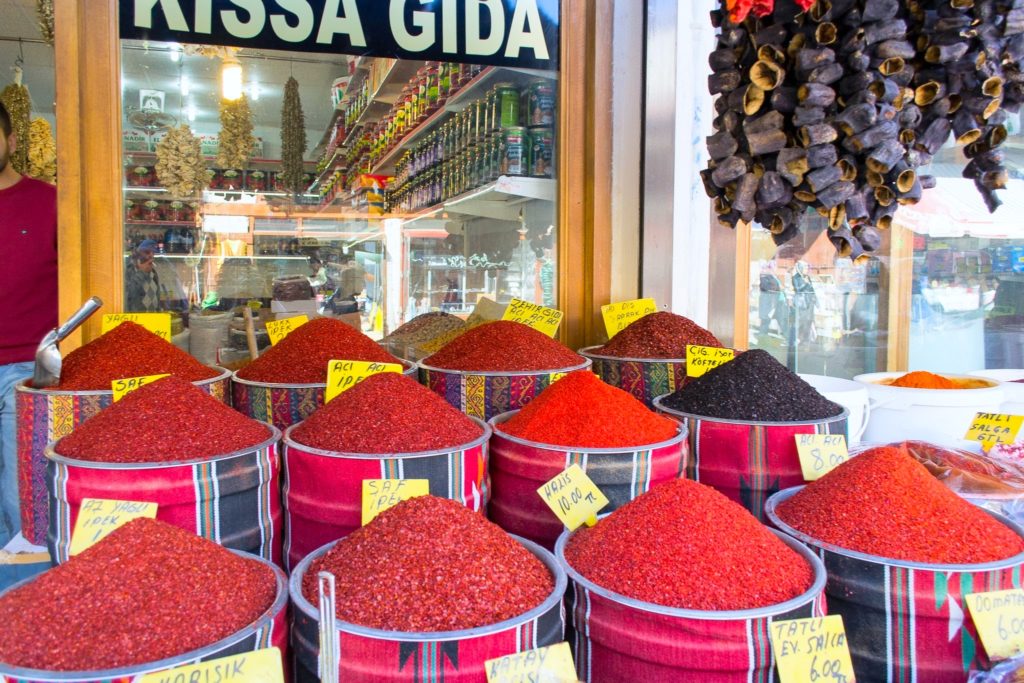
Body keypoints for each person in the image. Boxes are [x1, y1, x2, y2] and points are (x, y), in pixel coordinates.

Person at [0, 101, 57, 547]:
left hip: (24, 371)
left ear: (11, 140)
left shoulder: (48, 201)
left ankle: (22, 596)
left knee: (25, 502)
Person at [124, 239, 162, 312]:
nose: (151, 255)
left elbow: (157, 299)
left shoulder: (153, 272)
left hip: (153, 320)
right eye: (147, 252)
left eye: (153, 252)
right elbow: (128, 297)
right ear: (138, 253)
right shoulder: (128, 271)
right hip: (135, 321)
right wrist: (142, 272)